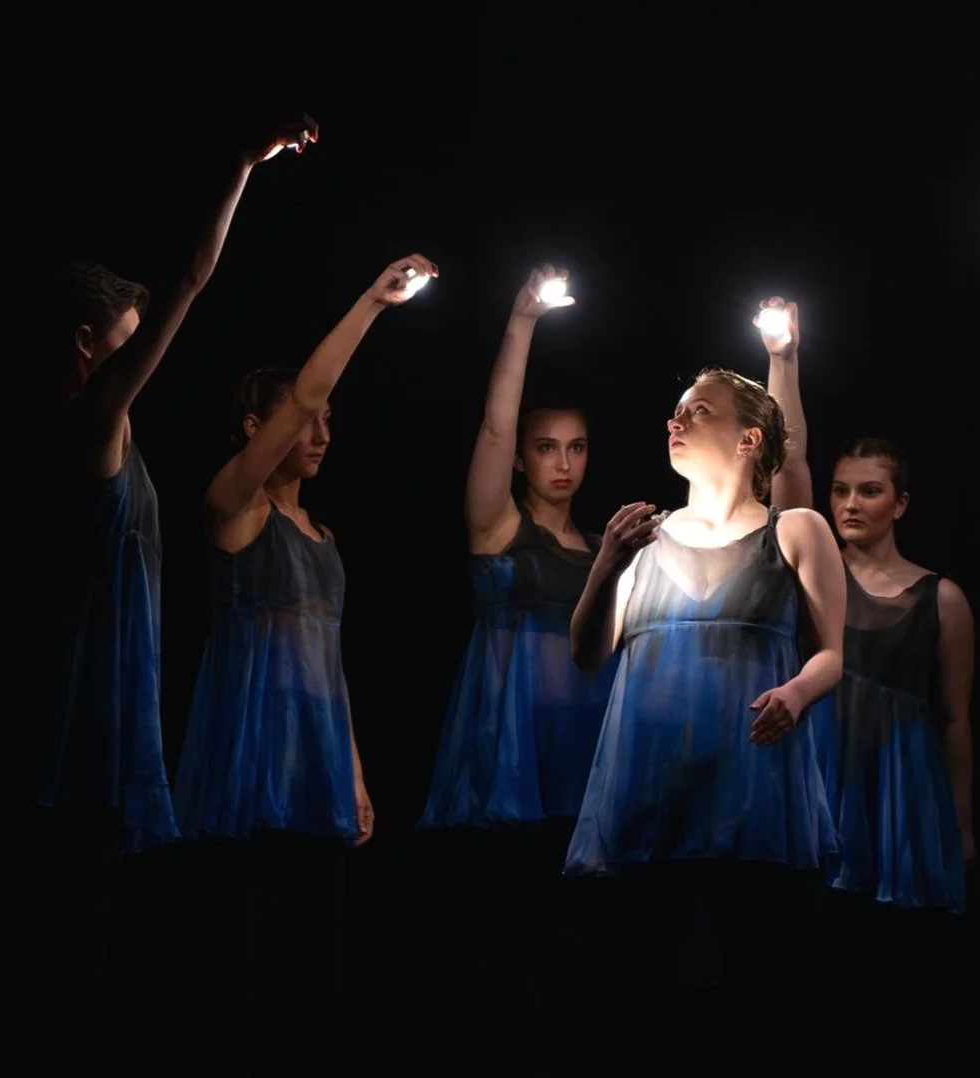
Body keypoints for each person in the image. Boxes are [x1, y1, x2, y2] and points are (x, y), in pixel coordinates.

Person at [7, 114, 319, 1075]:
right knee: (65, 943)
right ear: (86, 346)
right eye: (126, 344)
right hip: (81, 705)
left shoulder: (112, 434)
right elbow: (192, 277)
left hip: (114, 700)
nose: (143, 361)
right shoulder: (88, 424)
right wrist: (241, 166)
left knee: (92, 939)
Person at [173, 253, 437, 1070]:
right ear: (259, 429)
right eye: (304, 420)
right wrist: (371, 304)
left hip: (315, 763)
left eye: (327, 422)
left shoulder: (324, 538)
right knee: (242, 954)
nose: (320, 434)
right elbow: (303, 399)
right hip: (251, 758)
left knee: (314, 963)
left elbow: (330, 666)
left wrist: (352, 774)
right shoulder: (237, 509)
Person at [566, 367, 844, 1075]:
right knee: (638, 1000)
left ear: (749, 439)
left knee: (763, 995)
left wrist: (796, 694)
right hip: (650, 797)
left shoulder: (795, 529)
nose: (676, 421)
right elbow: (589, 653)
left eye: (698, 411)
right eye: (676, 410)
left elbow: (832, 656)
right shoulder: (644, 537)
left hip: (752, 795)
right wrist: (606, 564)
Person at [759, 297, 973, 1067]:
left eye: (869, 490)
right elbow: (786, 465)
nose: (850, 503)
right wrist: (784, 358)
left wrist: (961, 825)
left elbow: (955, 719)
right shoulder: (810, 574)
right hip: (821, 773)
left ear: (900, 502)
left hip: (899, 789)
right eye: (842, 490)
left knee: (891, 973)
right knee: (811, 960)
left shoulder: (940, 597)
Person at [417, 265, 616, 1071]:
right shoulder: (499, 526)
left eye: (576, 447)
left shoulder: (603, 546)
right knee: (502, 940)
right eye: (546, 448)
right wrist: (523, 320)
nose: (562, 462)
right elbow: (495, 430)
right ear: (525, 460)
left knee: (575, 948)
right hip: (509, 753)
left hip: (581, 755)